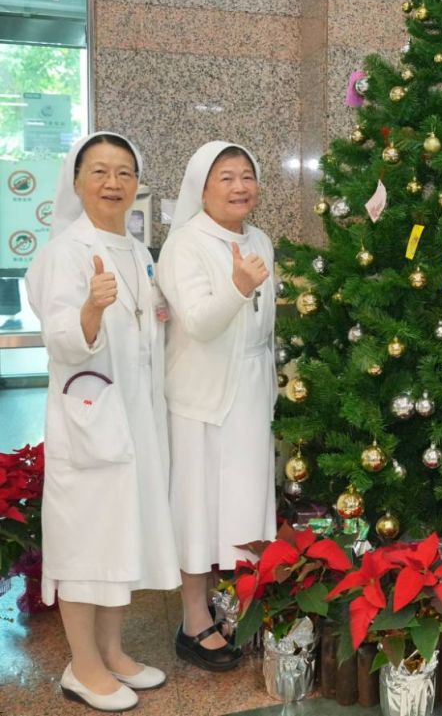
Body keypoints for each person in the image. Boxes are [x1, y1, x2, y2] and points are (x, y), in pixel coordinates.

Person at [26, 133, 179, 712]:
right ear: (77, 181)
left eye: (124, 173)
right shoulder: (63, 252)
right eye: (100, 172)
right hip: (88, 419)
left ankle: (112, 652)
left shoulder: (136, 249)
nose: (113, 183)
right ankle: (82, 666)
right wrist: (90, 309)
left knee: (121, 535)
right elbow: (60, 340)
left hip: (135, 417)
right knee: (86, 540)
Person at [158, 142, 275, 672]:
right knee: (198, 506)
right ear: (201, 188)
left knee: (245, 502)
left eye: (246, 175)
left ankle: (238, 607)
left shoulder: (261, 240)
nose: (239, 186)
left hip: (250, 390)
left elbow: (264, 327)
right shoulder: (184, 244)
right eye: (225, 177)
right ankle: (192, 620)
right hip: (202, 396)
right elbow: (201, 323)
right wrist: (237, 286)